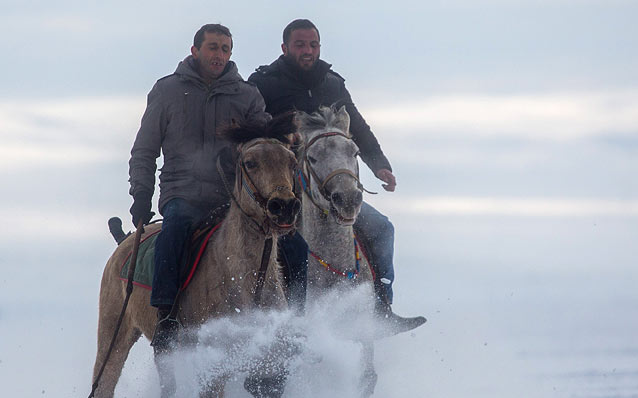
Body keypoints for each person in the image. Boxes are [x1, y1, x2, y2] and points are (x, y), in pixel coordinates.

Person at [127, 24, 307, 358]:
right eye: (213, 47)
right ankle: (166, 317)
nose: (219, 55)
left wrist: (284, 145)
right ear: (195, 50)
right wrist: (141, 195)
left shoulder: (245, 94)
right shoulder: (167, 91)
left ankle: (295, 326)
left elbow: (265, 141)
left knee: (295, 245)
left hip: (235, 199)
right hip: (183, 192)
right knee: (175, 230)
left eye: (225, 49)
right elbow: (144, 150)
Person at [249, 19, 425, 331]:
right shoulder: (265, 82)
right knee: (276, 243)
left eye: (313, 45)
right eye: (300, 45)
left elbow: (357, 127)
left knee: (382, 228)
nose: (308, 51)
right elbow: (254, 130)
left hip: (333, 185)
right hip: (283, 185)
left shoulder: (332, 83)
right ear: (285, 48)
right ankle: (277, 321)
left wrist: (380, 165)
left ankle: (382, 309)